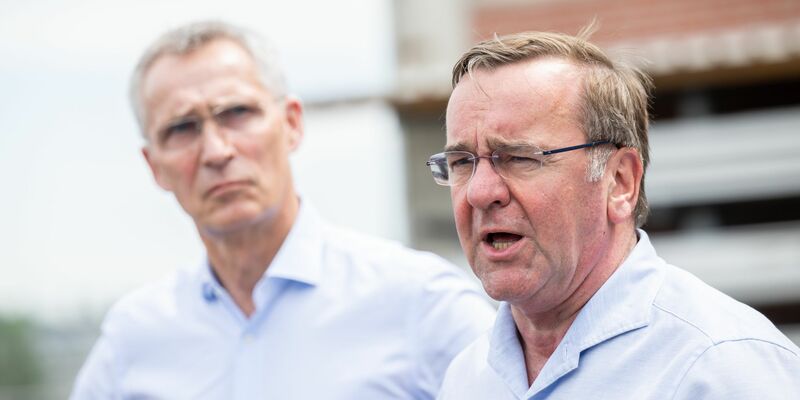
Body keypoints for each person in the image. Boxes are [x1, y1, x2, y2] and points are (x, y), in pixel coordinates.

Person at [71, 20, 495, 399]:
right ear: (154, 166)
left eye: (236, 113)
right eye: (182, 128)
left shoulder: (422, 304)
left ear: (291, 123)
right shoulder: (133, 339)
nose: (216, 151)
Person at [428, 29, 800, 399]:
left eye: (519, 158)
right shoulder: (468, 375)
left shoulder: (719, 365)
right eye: (462, 162)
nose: (479, 192)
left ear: (620, 181)